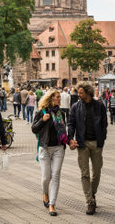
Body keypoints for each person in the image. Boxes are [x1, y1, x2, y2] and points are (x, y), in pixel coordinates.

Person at [68, 82, 107, 216]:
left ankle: (92, 194)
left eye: (81, 93)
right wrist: (70, 139)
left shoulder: (99, 105)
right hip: (82, 144)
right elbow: (71, 123)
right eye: (78, 92)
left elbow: (104, 123)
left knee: (96, 172)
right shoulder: (75, 107)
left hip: (97, 143)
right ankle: (90, 202)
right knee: (85, 174)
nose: (78, 95)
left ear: (88, 93)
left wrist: (102, 139)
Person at [32, 89, 68, 217]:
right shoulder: (41, 112)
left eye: (59, 97)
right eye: (57, 97)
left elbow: (63, 132)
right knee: (46, 178)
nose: (60, 99)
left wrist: (68, 142)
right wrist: (42, 120)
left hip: (58, 148)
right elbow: (34, 129)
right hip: (45, 148)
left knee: (56, 175)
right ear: (51, 98)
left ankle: (52, 204)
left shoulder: (61, 113)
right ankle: (45, 193)